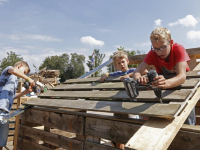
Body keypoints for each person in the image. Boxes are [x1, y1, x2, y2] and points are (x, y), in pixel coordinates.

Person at [123, 27, 195, 125]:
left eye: (163, 47)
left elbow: (182, 76)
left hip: (183, 87)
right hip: (165, 89)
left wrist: (166, 83)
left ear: (171, 42)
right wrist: (139, 79)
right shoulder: (152, 53)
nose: (160, 51)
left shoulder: (178, 48)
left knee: (186, 113)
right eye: (156, 48)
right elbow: (137, 71)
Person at [100, 51, 147, 149]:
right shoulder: (117, 73)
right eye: (118, 63)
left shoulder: (134, 70)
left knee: (131, 127)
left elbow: (145, 71)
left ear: (127, 61)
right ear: (115, 65)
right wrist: (105, 74)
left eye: (123, 62)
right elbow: (109, 74)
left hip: (131, 105)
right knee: (117, 128)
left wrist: (129, 75)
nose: (121, 64)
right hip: (118, 105)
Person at [0, 61, 35, 150]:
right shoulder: (9, 70)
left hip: (5, 114)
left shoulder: (14, 81)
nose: (24, 75)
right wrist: (29, 79)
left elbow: (12, 96)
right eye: (24, 72)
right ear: (20, 66)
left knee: (1, 143)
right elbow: (13, 71)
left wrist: (25, 92)